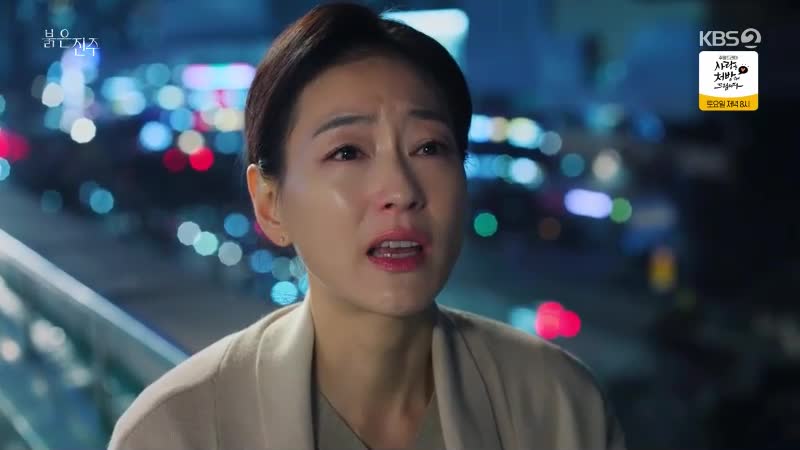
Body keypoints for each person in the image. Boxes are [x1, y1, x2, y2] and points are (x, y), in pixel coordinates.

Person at [108, 3, 626, 449]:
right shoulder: (178, 430)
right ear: (270, 203)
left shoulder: (559, 405)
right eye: (347, 152)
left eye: (429, 147)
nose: (401, 189)